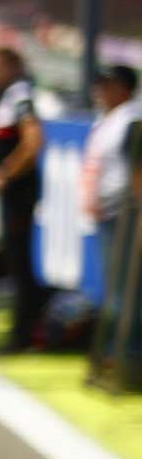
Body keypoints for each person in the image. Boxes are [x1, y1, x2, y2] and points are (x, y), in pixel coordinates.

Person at [0, 46, 48, 352]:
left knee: (22, 264)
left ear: (14, 67)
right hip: (11, 196)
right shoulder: (4, 98)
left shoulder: (20, 96)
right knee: (15, 261)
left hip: (21, 196)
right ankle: (21, 331)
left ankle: (23, 335)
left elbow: (33, 142)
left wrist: (6, 172)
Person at [85, 66, 140, 377]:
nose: (99, 90)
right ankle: (118, 355)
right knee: (114, 289)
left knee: (124, 292)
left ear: (123, 88)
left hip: (125, 214)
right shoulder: (110, 118)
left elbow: (138, 171)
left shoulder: (130, 119)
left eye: (107, 84)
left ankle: (126, 356)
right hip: (111, 213)